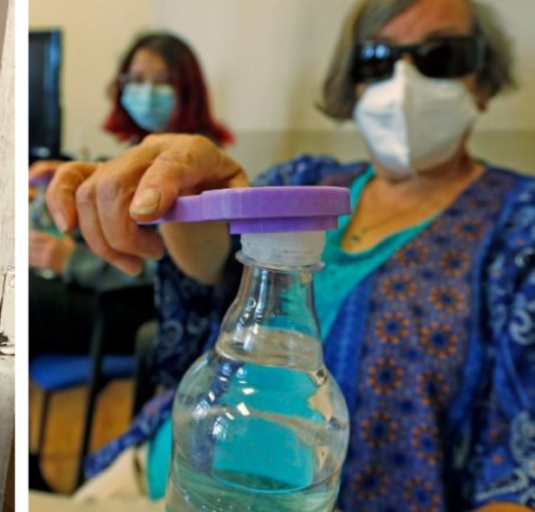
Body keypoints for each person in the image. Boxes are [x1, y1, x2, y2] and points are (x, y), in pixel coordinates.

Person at [48, 0, 535, 509]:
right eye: (377, 59)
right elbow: (212, 270)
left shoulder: (520, 230)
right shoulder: (304, 182)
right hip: (175, 467)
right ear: (353, 84)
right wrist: (188, 195)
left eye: (440, 55)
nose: (404, 80)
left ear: (482, 81)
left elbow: (519, 468)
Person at [29, 33, 231, 351]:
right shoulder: (133, 152)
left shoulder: (202, 169)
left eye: (163, 82)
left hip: (154, 310)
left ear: (188, 91)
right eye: (136, 80)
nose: (147, 93)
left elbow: (173, 267)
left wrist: (71, 261)